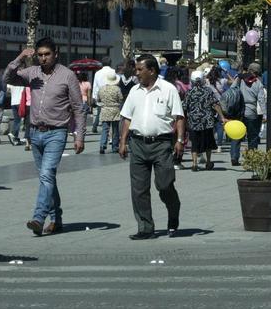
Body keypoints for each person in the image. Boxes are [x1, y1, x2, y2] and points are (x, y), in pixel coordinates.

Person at [5, 37, 86, 236]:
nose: (43, 58)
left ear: (55, 54)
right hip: (34, 132)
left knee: (46, 174)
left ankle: (38, 218)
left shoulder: (67, 76)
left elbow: (78, 107)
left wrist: (79, 136)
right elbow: (7, 79)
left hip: (56, 133)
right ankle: (56, 219)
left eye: (47, 54)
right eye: (40, 55)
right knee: (47, 178)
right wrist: (20, 57)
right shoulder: (32, 73)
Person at [118, 54, 184, 240]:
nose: (136, 73)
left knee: (164, 185)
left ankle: (173, 209)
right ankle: (145, 227)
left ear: (152, 70)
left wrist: (179, 140)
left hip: (162, 143)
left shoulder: (168, 89)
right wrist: (123, 142)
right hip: (137, 143)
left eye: (140, 70)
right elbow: (127, 118)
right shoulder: (134, 91)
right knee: (139, 189)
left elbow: (179, 117)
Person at [184, 69, 224, 171]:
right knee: (208, 143)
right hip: (207, 122)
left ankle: (194, 163)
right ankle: (208, 162)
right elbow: (215, 104)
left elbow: (184, 106)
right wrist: (222, 117)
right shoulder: (208, 91)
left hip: (194, 122)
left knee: (194, 143)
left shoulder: (189, 92)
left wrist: (184, 120)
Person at [95, 65, 125, 155]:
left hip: (105, 110)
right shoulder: (117, 89)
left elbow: (98, 99)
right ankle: (115, 146)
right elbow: (121, 99)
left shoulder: (102, 89)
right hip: (115, 110)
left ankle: (102, 145)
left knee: (105, 129)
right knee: (115, 129)